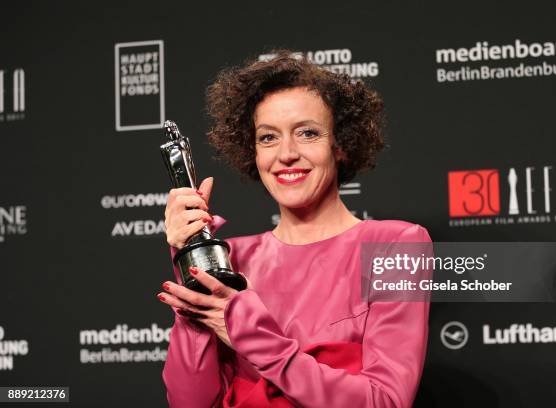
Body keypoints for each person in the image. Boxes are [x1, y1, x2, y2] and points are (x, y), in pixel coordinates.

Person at [157, 50, 431, 408]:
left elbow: (385, 402)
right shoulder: (231, 259)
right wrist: (190, 258)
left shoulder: (396, 246)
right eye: (268, 137)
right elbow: (190, 402)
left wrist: (246, 331)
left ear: (341, 145)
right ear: (252, 151)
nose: (286, 153)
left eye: (307, 133)